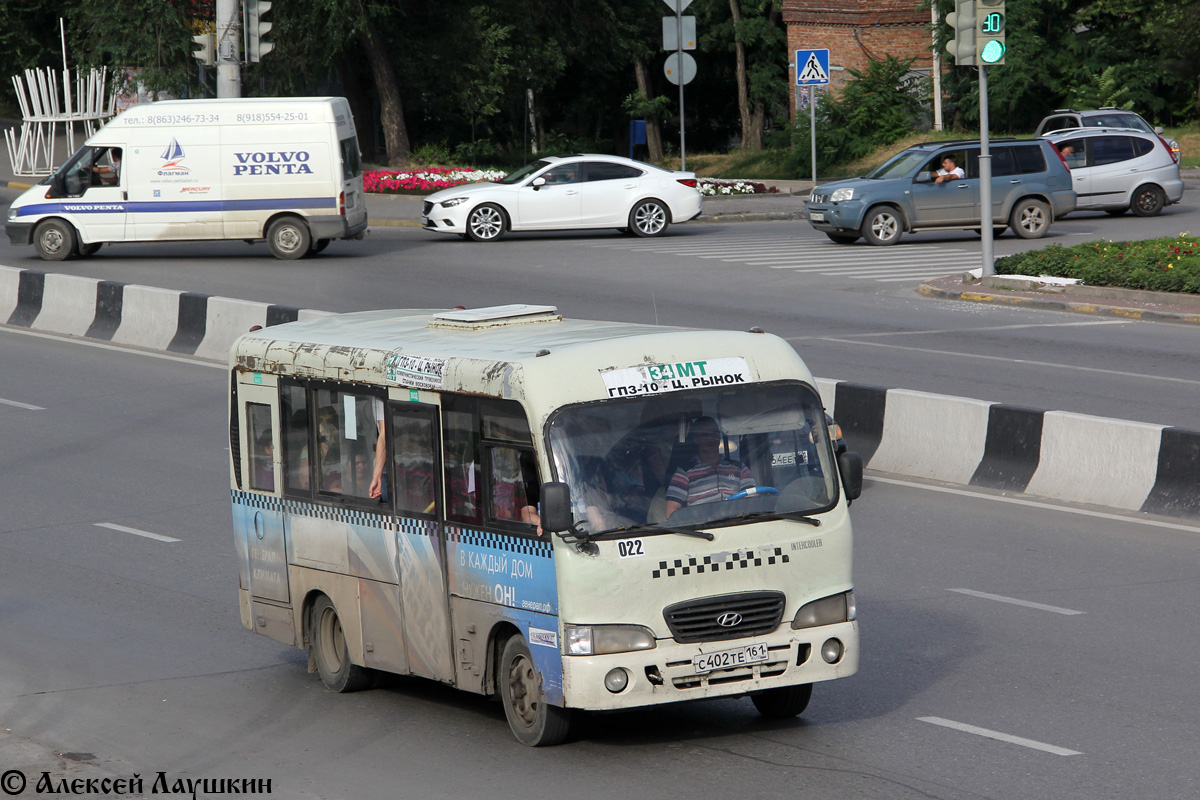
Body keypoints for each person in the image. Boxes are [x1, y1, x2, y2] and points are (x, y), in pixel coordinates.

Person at [664, 417, 754, 519]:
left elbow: (752, 500)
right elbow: (671, 512)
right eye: (705, 435)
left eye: (714, 434)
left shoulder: (739, 468)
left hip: (739, 526)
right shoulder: (684, 472)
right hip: (703, 530)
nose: (711, 439)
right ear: (696, 439)